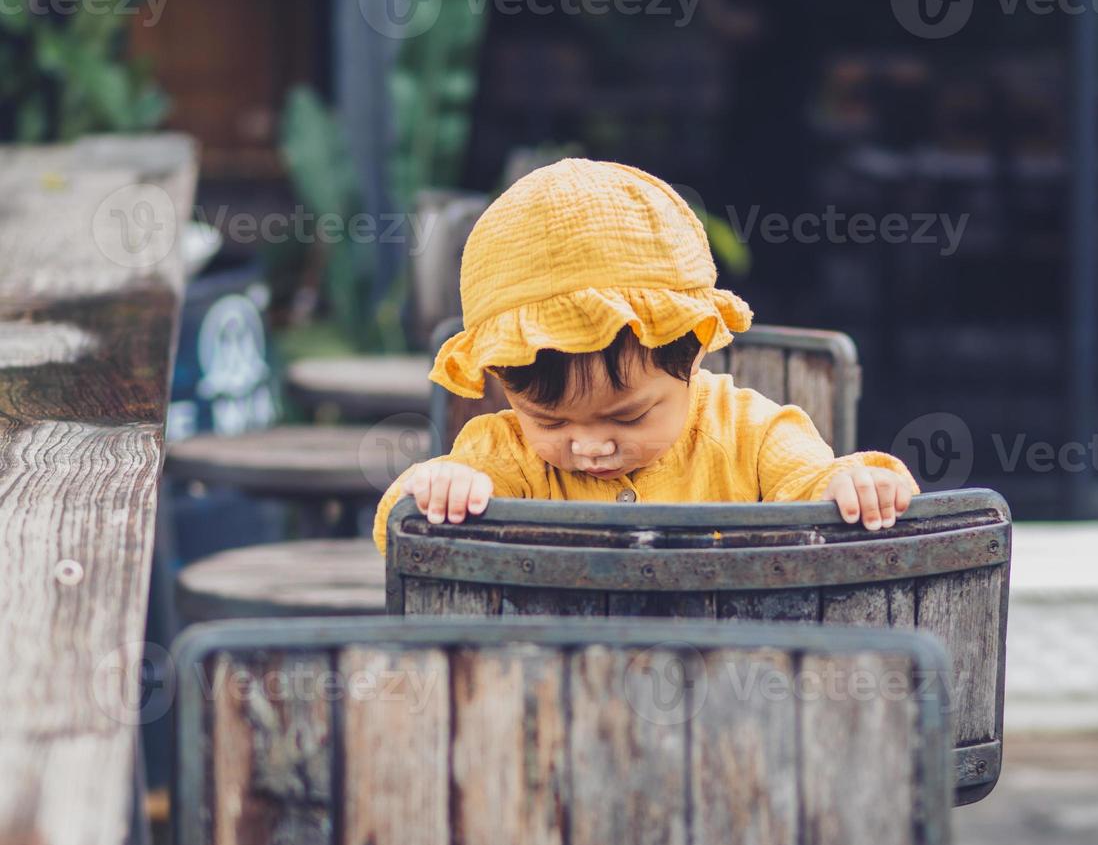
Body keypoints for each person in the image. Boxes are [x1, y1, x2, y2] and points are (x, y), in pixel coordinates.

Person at [372, 158, 918, 555]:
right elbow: (399, 525)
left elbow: (811, 482)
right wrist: (440, 491)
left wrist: (855, 486)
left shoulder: (750, 434)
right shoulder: (504, 455)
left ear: (694, 349)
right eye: (550, 420)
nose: (590, 445)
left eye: (628, 415)